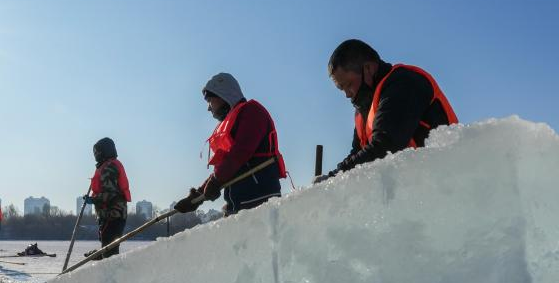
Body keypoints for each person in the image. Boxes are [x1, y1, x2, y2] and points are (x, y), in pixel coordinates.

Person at [319, 39, 458, 181]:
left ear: (368, 68)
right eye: (341, 89)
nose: (347, 94)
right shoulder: (363, 110)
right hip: (409, 191)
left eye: (349, 85)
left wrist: (333, 178)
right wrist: (330, 178)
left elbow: (385, 146)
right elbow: (357, 153)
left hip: (446, 182)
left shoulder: (404, 83)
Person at [174, 73, 286, 215]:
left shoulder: (252, 112)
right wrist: (197, 196)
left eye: (210, 101)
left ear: (223, 96)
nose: (209, 108)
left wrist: (216, 181)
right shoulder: (233, 122)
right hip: (239, 205)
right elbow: (225, 164)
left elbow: (240, 153)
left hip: (259, 203)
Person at [86, 137, 131, 258]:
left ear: (104, 151)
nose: (95, 155)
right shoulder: (106, 166)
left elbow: (111, 193)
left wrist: (93, 199)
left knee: (110, 249)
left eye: (97, 152)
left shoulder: (109, 167)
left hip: (113, 215)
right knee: (108, 246)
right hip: (109, 215)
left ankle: (109, 273)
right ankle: (101, 258)